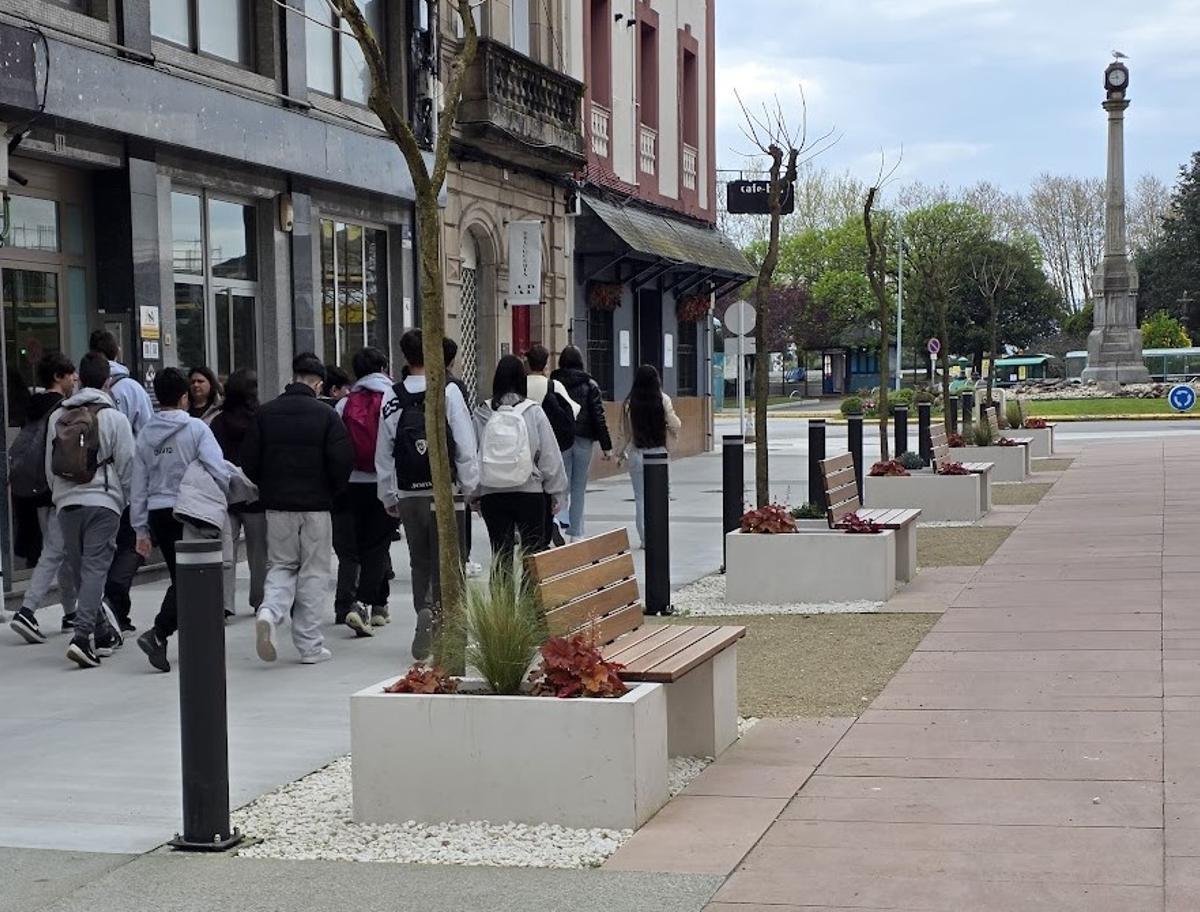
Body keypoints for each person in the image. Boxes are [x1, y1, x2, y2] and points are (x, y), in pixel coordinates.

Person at [243, 353, 353, 665]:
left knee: (281, 566)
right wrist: (331, 492)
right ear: (318, 383)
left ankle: (270, 611)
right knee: (314, 574)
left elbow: (249, 461)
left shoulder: (266, 413)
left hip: (277, 507)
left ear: (293, 377)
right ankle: (309, 646)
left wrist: (269, 487)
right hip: (316, 507)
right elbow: (342, 460)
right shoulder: (327, 416)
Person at [376, 329, 479, 661]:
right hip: (445, 490)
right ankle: (447, 625)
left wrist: (388, 494)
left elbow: (384, 450)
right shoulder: (446, 391)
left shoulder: (392, 396)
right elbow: (464, 442)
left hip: (408, 491)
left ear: (405, 358)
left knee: (420, 559)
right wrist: (469, 484)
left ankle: (425, 611)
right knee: (450, 560)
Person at [131, 368, 231, 673]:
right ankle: (159, 632)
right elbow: (217, 468)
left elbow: (138, 482)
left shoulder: (146, 433)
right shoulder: (197, 429)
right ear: (184, 397)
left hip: (158, 512)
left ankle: (174, 637)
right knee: (190, 580)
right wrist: (225, 497)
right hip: (191, 511)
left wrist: (139, 527)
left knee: (181, 577)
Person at [46, 351, 135, 668]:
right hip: (103, 502)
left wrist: (60, 496)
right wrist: (123, 503)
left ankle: (102, 631)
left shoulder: (59, 416)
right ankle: (82, 637)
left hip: (67, 503)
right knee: (95, 569)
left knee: (81, 569)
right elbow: (127, 466)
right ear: (108, 382)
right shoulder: (115, 418)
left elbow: (50, 466)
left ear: (80, 379)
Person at [9, 352, 79, 643]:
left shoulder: (31, 407)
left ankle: (69, 613)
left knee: (58, 551)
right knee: (55, 552)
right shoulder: (61, 410)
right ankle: (27, 609)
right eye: (70, 374)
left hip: (34, 491)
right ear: (58, 378)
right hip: (54, 491)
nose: (74, 379)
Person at [472, 355, 567, 566]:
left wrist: (474, 493)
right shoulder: (533, 411)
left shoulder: (482, 412)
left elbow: (474, 454)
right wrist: (556, 491)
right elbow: (550, 455)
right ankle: (530, 598)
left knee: (500, 555)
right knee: (532, 556)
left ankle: (501, 598)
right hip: (529, 492)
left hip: (492, 493)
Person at [89, 330, 153, 633]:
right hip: (123, 483)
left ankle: (99, 608)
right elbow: (147, 434)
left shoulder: (78, 392)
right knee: (130, 545)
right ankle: (116, 607)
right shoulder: (132, 388)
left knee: (98, 552)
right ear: (117, 351)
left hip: (87, 485)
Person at [333, 347, 398, 634]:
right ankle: (364, 604)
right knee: (378, 545)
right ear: (383, 367)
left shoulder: (344, 404)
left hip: (351, 483)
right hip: (385, 481)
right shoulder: (392, 399)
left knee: (361, 545)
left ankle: (380, 603)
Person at [208, 368, 267, 619]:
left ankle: (224, 603)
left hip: (227, 492)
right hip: (255, 492)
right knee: (259, 553)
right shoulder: (261, 418)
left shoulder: (218, 421)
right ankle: (260, 600)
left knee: (226, 552)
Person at [550, 345, 613, 540]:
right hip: (584, 440)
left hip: (562, 440)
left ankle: (559, 525)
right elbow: (598, 416)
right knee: (579, 488)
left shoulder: (553, 383)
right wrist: (606, 446)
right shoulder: (590, 385)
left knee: (562, 485)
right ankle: (576, 533)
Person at [619, 365, 681, 549]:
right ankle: (658, 533)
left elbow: (624, 432)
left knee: (640, 498)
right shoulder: (663, 399)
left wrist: (617, 454)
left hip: (637, 453)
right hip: (659, 454)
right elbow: (675, 425)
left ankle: (645, 538)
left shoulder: (629, 403)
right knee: (661, 496)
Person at [442, 336, 481, 577]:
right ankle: (462, 558)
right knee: (459, 516)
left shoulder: (410, 386)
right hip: (452, 471)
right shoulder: (454, 387)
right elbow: (462, 430)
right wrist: (470, 480)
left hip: (416, 475)